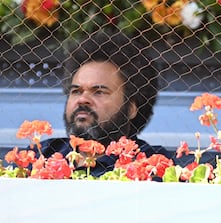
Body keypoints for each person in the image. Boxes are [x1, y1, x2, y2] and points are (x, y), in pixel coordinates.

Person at [25, 32, 172, 177]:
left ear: (132, 108)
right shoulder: (42, 154)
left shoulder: (152, 164)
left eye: (99, 92)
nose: (83, 99)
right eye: (76, 91)